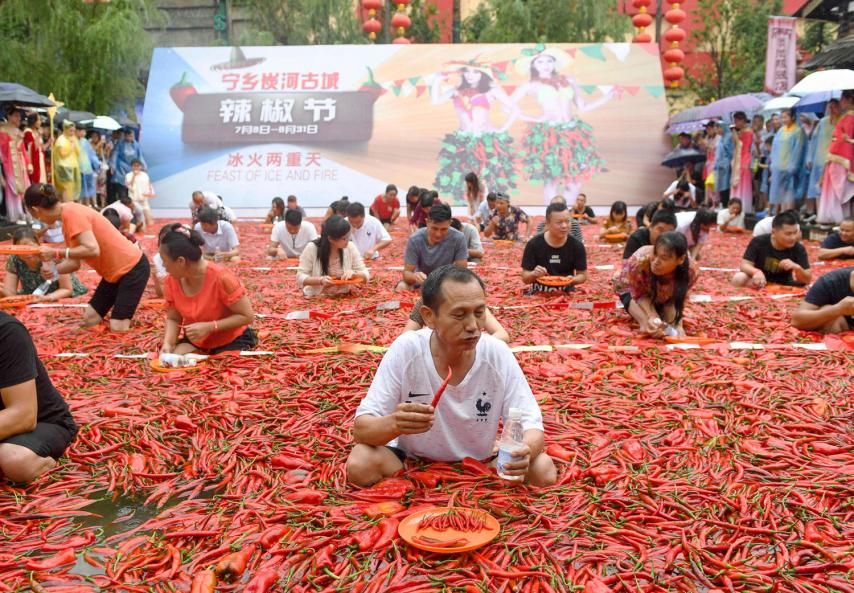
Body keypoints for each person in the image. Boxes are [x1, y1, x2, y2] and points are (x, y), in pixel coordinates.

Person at [346, 265, 556, 487]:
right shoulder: (407, 349)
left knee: (542, 469)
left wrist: (523, 451)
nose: (473, 326)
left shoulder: (497, 353)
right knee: (361, 462)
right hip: (413, 464)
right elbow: (361, 430)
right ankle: (427, 489)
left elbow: (533, 427)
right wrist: (395, 424)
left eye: (479, 312)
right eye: (459, 315)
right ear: (429, 317)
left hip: (481, 465)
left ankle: (446, 492)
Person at [24, 183, 150, 332]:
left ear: (35, 210)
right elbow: (74, 263)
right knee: (90, 319)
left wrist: (56, 253)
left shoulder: (72, 213)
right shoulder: (67, 217)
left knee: (118, 328)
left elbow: (92, 249)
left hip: (132, 268)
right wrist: (53, 270)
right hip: (113, 274)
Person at [510, 46, 612, 204]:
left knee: (575, 178)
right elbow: (508, 106)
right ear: (534, 66)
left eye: (549, 60)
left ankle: (566, 215)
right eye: (540, 61)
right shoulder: (531, 85)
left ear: (555, 63)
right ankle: (550, 217)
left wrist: (607, 97)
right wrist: (534, 118)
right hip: (549, 134)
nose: (545, 65)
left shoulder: (569, 81)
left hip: (573, 132)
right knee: (551, 179)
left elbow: (582, 106)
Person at [0, 312, 78, 483]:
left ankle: (46, 464)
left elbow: (23, 416)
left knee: (16, 460)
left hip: (41, 421)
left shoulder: (7, 332)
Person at [159, 224, 257, 355]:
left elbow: (247, 316)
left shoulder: (222, 278)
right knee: (178, 361)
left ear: (181, 261)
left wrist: (211, 326)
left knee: (221, 370)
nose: (164, 267)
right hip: (198, 339)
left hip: (231, 339)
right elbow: (173, 318)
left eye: (164, 261)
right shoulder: (171, 281)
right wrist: (168, 344)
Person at [432, 62, 518, 201]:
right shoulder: (456, 91)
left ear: (483, 75)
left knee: (487, 178)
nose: (471, 75)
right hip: (463, 141)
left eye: (476, 72)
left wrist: (502, 129)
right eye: (467, 71)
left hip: (485, 140)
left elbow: (515, 109)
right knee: (466, 180)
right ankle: (472, 212)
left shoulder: (490, 90)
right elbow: (436, 101)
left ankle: (488, 211)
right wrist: (436, 81)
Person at [613, 232, 698, 338]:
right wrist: (651, 316)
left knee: (673, 327)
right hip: (633, 289)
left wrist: (677, 325)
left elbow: (673, 300)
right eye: (655, 253)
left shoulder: (690, 272)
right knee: (647, 324)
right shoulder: (638, 262)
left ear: (680, 259)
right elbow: (639, 294)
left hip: (662, 293)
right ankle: (644, 322)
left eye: (664, 258)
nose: (656, 261)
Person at [1, 228, 87, 302]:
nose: (26, 253)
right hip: (33, 295)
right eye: (21, 249)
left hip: (59, 293)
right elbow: (10, 293)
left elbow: (66, 289)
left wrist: (47, 298)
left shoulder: (49, 255)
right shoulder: (15, 259)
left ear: (38, 245)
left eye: (30, 247)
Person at [521, 201, 588, 294]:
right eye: (559, 222)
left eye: (567, 221)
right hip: (539, 294)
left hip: (566, 294)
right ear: (547, 223)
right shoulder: (533, 244)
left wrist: (573, 279)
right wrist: (533, 274)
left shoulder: (577, 245)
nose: (564, 226)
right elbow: (525, 277)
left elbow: (583, 275)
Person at [398, 203, 467, 291]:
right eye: (434, 228)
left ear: (450, 223)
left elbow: (462, 271)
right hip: (421, 282)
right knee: (401, 287)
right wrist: (415, 276)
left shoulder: (458, 238)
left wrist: (445, 281)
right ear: (427, 222)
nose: (438, 234)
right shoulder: (415, 239)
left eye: (444, 229)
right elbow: (407, 273)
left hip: (446, 282)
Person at [731, 211, 811, 288]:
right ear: (774, 232)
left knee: (807, 288)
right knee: (739, 278)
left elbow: (807, 280)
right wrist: (756, 272)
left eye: (795, 233)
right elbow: (744, 265)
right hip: (758, 281)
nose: (793, 237)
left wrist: (797, 268)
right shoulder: (759, 242)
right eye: (788, 234)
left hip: (784, 285)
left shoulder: (798, 248)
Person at [297, 215, 370, 297]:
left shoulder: (350, 247)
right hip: (318, 297)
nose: (347, 240)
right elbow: (300, 276)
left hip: (344, 296)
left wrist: (355, 274)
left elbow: (366, 275)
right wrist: (320, 280)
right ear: (331, 239)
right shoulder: (313, 248)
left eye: (348, 236)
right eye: (344, 238)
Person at [817, 90, 854, 225]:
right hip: (836, 155)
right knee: (834, 188)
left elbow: (847, 139)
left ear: (849, 100)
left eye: (842, 99)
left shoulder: (850, 118)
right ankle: (836, 219)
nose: (841, 103)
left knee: (838, 189)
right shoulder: (846, 117)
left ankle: (840, 220)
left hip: (841, 157)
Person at [804, 99, 840, 218]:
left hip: (835, 161)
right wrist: (809, 157)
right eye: (830, 107)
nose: (832, 110)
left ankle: (832, 216)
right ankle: (820, 215)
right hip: (819, 160)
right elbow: (813, 141)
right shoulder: (822, 122)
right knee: (817, 188)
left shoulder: (843, 122)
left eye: (835, 107)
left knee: (833, 189)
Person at [791, 267, 854, 334]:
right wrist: (838, 309)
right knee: (827, 312)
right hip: (843, 331)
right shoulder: (831, 281)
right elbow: (797, 321)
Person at [769, 109, 807, 215]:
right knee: (779, 192)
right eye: (782, 117)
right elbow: (774, 148)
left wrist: (793, 166)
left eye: (785, 117)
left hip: (790, 166)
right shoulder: (781, 130)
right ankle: (780, 213)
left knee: (789, 191)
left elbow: (798, 149)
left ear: (793, 117)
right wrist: (773, 164)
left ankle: (789, 214)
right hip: (779, 165)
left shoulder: (798, 131)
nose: (783, 120)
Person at [108, 127, 145, 203]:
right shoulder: (120, 144)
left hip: (132, 169)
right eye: (128, 136)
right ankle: (123, 205)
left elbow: (140, 156)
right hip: (121, 168)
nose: (129, 137)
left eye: (131, 136)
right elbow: (115, 155)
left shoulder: (136, 145)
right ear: (125, 136)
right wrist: (112, 166)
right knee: (122, 189)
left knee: (132, 190)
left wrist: (143, 167)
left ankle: (132, 206)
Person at [729, 111, 754, 214]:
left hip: (744, 158)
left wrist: (735, 134)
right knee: (738, 182)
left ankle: (743, 205)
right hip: (738, 158)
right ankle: (735, 204)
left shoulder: (748, 131)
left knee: (743, 182)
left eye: (737, 120)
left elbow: (741, 144)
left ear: (742, 120)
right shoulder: (741, 131)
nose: (736, 122)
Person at [52, 121, 81, 203]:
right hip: (64, 167)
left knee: (72, 187)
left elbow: (78, 152)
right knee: (66, 188)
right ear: (65, 129)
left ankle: (70, 203)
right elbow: (62, 153)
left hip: (73, 166)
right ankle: (67, 204)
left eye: (73, 131)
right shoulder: (61, 140)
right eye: (70, 131)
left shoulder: (74, 139)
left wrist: (74, 145)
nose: (72, 133)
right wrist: (71, 147)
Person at [125, 159, 154, 228]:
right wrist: (134, 176)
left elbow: (148, 186)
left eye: (138, 166)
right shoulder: (128, 175)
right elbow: (129, 186)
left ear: (140, 166)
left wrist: (145, 195)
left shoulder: (144, 175)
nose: (136, 167)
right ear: (131, 167)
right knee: (138, 218)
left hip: (143, 199)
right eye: (134, 166)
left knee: (149, 220)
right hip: (134, 199)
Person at [77, 125, 101, 209]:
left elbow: (91, 154)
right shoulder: (73, 141)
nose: (84, 133)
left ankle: (88, 206)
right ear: (78, 131)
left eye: (84, 131)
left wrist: (97, 164)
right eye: (82, 131)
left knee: (88, 189)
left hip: (87, 168)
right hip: (77, 168)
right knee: (79, 190)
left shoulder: (85, 141)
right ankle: (80, 206)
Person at [22, 113, 46, 185]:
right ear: (33, 121)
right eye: (38, 120)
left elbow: (42, 148)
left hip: (40, 159)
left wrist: (49, 142)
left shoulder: (37, 131)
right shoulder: (28, 132)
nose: (40, 122)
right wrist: (39, 135)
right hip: (33, 159)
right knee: (35, 180)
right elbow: (32, 148)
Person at [713, 123, 733, 208]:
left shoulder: (728, 137)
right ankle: (722, 203)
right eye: (716, 128)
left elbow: (730, 152)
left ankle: (726, 204)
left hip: (726, 165)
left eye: (718, 128)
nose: (717, 130)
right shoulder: (720, 138)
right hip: (719, 165)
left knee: (726, 186)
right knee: (720, 185)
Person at [151, 224, 171, 298]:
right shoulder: (158, 258)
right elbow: (161, 294)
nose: (164, 245)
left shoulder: (185, 258)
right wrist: (155, 277)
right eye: (162, 241)